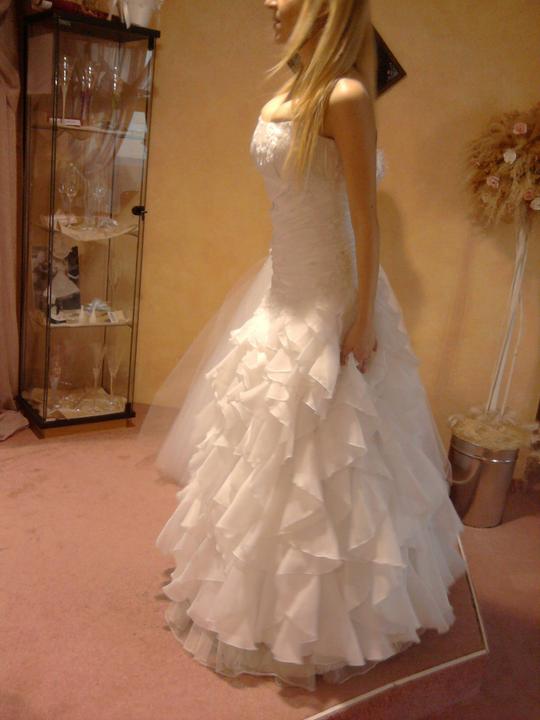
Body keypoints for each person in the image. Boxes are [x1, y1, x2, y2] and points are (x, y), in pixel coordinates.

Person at [139, 0, 468, 692]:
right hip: (284, 285)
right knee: (264, 441)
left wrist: (363, 317)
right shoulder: (291, 91)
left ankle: (331, 617)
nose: (269, 2)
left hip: (329, 297)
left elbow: (365, 218)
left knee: (332, 451)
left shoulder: (345, 95)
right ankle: (252, 592)